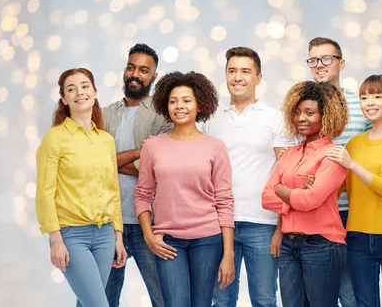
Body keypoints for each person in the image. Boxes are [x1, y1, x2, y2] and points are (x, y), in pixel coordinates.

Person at [134, 71, 235, 307]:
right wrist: (149, 236)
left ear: (200, 104)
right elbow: (142, 195)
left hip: (208, 241)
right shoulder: (153, 146)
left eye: (187, 100)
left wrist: (228, 254)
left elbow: (224, 200)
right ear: (165, 105)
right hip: (168, 241)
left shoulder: (215, 148)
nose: (179, 106)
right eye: (173, 101)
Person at [205, 47, 294, 307]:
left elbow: (285, 176)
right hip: (219, 224)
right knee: (221, 300)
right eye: (232, 71)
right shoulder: (210, 119)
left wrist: (280, 228)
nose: (238, 77)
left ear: (259, 77)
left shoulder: (276, 119)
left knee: (264, 300)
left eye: (245, 71)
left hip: (262, 223)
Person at [35, 68, 127, 307]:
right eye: (71, 89)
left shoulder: (105, 140)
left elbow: (113, 191)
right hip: (72, 235)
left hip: (105, 235)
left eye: (85, 86)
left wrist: (118, 235)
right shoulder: (54, 139)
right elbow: (45, 192)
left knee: (87, 303)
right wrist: (55, 239)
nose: (79, 92)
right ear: (64, 99)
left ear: (95, 92)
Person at [326, 74, 382, 307]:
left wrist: (353, 165)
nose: (370, 103)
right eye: (364, 97)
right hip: (357, 237)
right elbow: (338, 189)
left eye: (378, 96)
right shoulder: (354, 144)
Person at [262, 81, 349, 307]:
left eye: (310, 113)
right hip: (290, 245)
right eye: (298, 112)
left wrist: (284, 191)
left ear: (326, 116)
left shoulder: (333, 155)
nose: (301, 118)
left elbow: (310, 200)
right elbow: (266, 197)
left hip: (322, 245)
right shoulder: (289, 153)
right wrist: (297, 196)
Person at [102, 43, 169, 307]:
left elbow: (155, 169)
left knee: (165, 299)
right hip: (108, 223)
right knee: (99, 300)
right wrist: (139, 151)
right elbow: (90, 163)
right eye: (131, 67)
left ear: (154, 76)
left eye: (143, 70)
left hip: (149, 225)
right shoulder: (104, 114)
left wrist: (109, 162)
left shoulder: (164, 115)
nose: (135, 74)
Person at [306, 37, 370, 307]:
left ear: (341, 63)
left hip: (352, 213)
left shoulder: (362, 105)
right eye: (313, 60)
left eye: (326, 58)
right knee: (318, 296)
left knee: (352, 294)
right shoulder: (304, 108)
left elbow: (373, 154)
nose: (319, 65)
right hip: (314, 212)